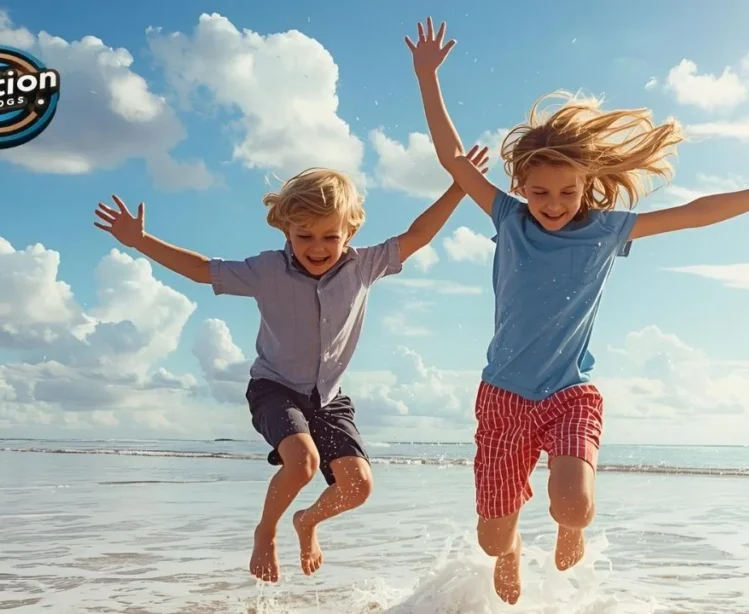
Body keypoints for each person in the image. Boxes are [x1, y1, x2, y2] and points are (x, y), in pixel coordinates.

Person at [405, 17, 749, 605]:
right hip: (503, 396)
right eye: (539, 192)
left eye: (566, 192)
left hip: (568, 393)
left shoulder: (608, 232)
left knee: (575, 505)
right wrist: (427, 77)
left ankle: (564, 524)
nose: (551, 204)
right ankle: (511, 549)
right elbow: (454, 157)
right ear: (521, 185)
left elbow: (698, 213)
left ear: (589, 184)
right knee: (491, 542)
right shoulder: (508, 219)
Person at [92, 148, 491, 583]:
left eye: (329, 236)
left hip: (329, 398)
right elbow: (202, 270)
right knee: (301, 463)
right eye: (305, 236)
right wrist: (141, 241)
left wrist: (459, 185)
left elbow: (419, 234)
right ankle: (266, 532)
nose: (317, 247)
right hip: (274, 388)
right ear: (286, 229)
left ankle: (308, 522)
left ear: (350, 230)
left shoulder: (365, 266)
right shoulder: (266, 270)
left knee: (358, 486)